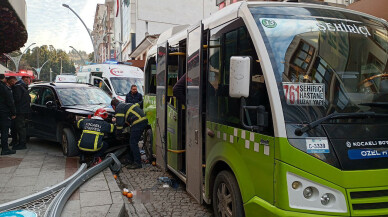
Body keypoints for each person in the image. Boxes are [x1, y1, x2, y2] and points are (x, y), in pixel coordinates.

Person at [111, 98, 148, 169]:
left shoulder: (118, 108)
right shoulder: (123, 105)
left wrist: (118, 134)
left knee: (133, 143)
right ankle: (131, 160)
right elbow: (125, 122)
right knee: (132, 142)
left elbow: (119, 124)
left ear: (113, 106)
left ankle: (137, 163)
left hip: (138, 122)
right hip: (142, 121)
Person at [10, 76, 31, 150]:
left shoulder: (17, 87)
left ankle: (22, 144)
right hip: (24, 110)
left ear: (12, 81)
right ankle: (21, 143)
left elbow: (17, 99)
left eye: (10, 83)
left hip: (20, 110)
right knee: (21, 127)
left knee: (20, 127)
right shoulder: (23, 87)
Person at [0, 75, 17, 155]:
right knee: (4, 131)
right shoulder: (4, 88)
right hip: (4, 112)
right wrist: (13, 113)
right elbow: (10, 102)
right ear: (3, 79)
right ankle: (5, 149)